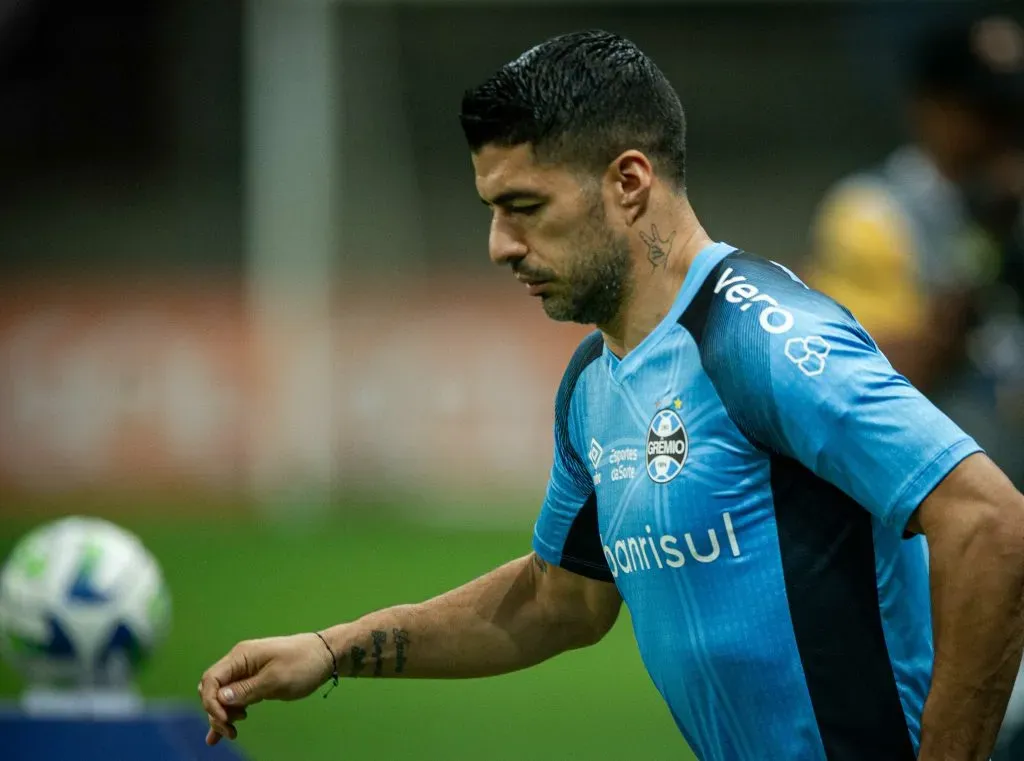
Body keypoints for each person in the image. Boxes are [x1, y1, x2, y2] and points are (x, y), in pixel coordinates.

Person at [199, 31, 1024, 760]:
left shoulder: (760, 339)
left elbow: (990, 523)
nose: (499, 245)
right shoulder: (595, 383)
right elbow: (560, 599)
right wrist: (332, 648)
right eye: (492, 210)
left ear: (628, 181)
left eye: (525, 207)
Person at [805, 14, 1024, 488]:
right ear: (930, 108)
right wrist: (985, 249)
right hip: (934, 510)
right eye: (986, 112)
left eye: (1013, 113)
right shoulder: (872, 214)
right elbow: (870, 383)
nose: (1003, 132)